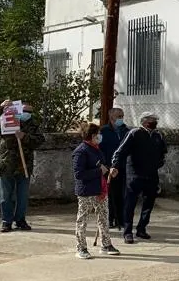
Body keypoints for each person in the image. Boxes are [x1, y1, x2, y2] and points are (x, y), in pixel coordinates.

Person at [0, 100, 45, 233]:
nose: (24, 114)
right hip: (7, 163)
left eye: (26, 112)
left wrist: (24, 137)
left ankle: (20, 220)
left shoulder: (31, 124)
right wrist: (0, 108)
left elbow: (39, 140)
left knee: (22, 196)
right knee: (6, 196)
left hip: (24, 165)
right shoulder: (6, 121)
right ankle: (6, 221)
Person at [112, 112, 167, 244]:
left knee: (149, 203)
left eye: (155, 120)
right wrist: (115, 165)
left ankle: (141, 228)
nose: (155, 122)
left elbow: (163, 153)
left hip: (152, 175)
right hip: (135, 175)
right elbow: (120, 151)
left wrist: (157, 164)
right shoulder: (134, 133)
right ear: (144, 122)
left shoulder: (158, 135)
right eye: (152, 120)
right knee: (130, 204)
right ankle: (127, 231)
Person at [72, 123, 120, 259]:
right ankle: (81, 247)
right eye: (98, 134)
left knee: (104, 218)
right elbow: (79, 174)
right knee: (82, 220)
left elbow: (103, 166)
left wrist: (110, 170)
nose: (100, 136)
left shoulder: (97, 149)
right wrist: (99, 171)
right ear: (92, 136)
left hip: (101, 189)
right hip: (86, 191)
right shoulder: (80, 151)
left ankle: (106, 244)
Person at [100, 107, 130, 229]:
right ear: (112, 117)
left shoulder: (126, 131)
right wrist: (104, 166)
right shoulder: (103, 131)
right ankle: (110, 218)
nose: (121, 119)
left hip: (122, 167)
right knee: (108, 194)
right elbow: (99, 149)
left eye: (122, 116)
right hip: (108, 167)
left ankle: (121, 220)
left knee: (122, 195)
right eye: (119, 116)